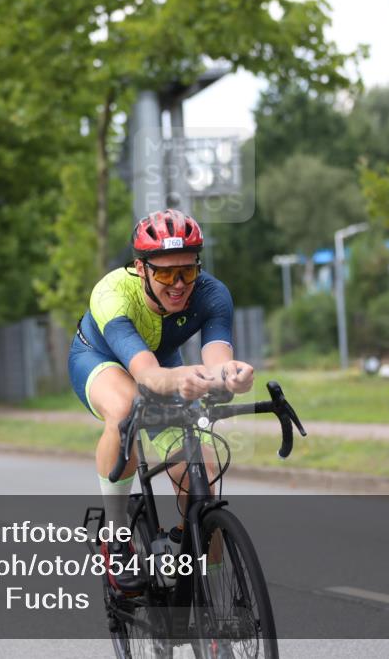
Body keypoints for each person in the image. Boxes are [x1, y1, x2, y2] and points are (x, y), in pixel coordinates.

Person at [68, 209, 254, 591]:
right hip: (103, 359)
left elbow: (217, 360)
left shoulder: (212, 293)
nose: (178, 284)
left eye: (187, 270)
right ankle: (117, 539)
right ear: (141, 268)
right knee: (125, 411)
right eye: (166, 273)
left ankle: (185, 554)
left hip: (162, 362)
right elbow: (148, 377)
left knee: (198, 474)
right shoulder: (112, 294)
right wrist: (182, 379)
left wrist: (234, 375)